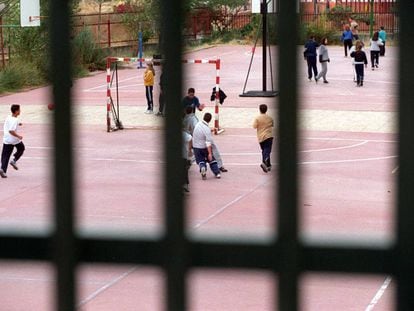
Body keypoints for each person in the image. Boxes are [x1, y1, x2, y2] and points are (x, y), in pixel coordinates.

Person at [192, 113, 221, 180]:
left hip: (196, 147)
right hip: (203, 147)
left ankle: (203, 167)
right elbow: (208, 143)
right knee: (212, 160)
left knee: (200, 160)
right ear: (210, 120)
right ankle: (217, 173)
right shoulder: (207, 129)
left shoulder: (198, 124)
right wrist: (210, 153)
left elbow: (201, 132)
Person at [1, 104, 25, 178]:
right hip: (13, 139)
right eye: (19, 110)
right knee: (21, 148)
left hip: (6, 139)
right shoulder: (15, 120)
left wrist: (19, 123)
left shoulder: (8, 117)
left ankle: (3, 170)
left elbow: (12, 122)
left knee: (5, 155)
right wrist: (19, 136)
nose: (20, 111)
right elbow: (11, 130)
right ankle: (14, 160)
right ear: (16, 111)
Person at [253, 104, 274, 173]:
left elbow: (254, 126)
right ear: (266, 109)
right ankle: (265, 162)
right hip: (269, 135)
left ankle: (268, 165)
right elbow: (272, 125)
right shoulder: (270, 118)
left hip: (261, 137)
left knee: (264, 150)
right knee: (267, 150)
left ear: (260, 109)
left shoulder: (257, 118)